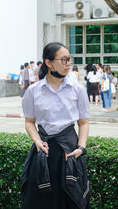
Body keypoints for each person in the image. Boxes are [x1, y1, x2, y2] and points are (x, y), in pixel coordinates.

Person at [21, 42, 90, 209]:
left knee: (72, 198)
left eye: (69, 59)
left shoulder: (77, 89)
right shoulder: (33, 91)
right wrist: (37, 142)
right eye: (63, 59)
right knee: (41, 200)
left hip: (70, 151)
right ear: (49, 62)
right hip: (43, 152)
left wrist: (81, 148)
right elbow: (29, 122)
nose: (68, 64)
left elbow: (84, 122)